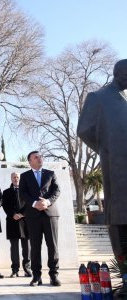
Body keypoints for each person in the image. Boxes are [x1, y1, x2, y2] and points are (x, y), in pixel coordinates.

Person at [77, 59, 127, 260]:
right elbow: (84, 130)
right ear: (119, 74)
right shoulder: (99, 97)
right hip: (115, 166)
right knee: (119, 215)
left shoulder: (124, 98)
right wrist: (107, 148)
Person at [19, 151, 61, 286]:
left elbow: (57, 191)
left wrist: (47, 202)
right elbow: (22, 193)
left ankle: (54, 276)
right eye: (36, 157)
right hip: (33, 216)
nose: (39, 158)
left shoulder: (50, 173)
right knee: (35, 247)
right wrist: (34, 203)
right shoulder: (24, 176)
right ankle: (36, 276)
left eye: (40, 156)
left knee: (52, 246)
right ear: (30, 161)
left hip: (50, 214)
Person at [2, 172, 32, 278]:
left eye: (17, 177)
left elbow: (29, 204)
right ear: (11, 178)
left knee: (27, 248)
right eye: (14, 177)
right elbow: (5, 205)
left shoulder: (27, 191)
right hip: (12, 221)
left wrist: (22, 214)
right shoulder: (5, 192)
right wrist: (13, 214)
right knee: (14, 248)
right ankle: (15, 270)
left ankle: (27, 269)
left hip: (25, 222)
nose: (16, 179)